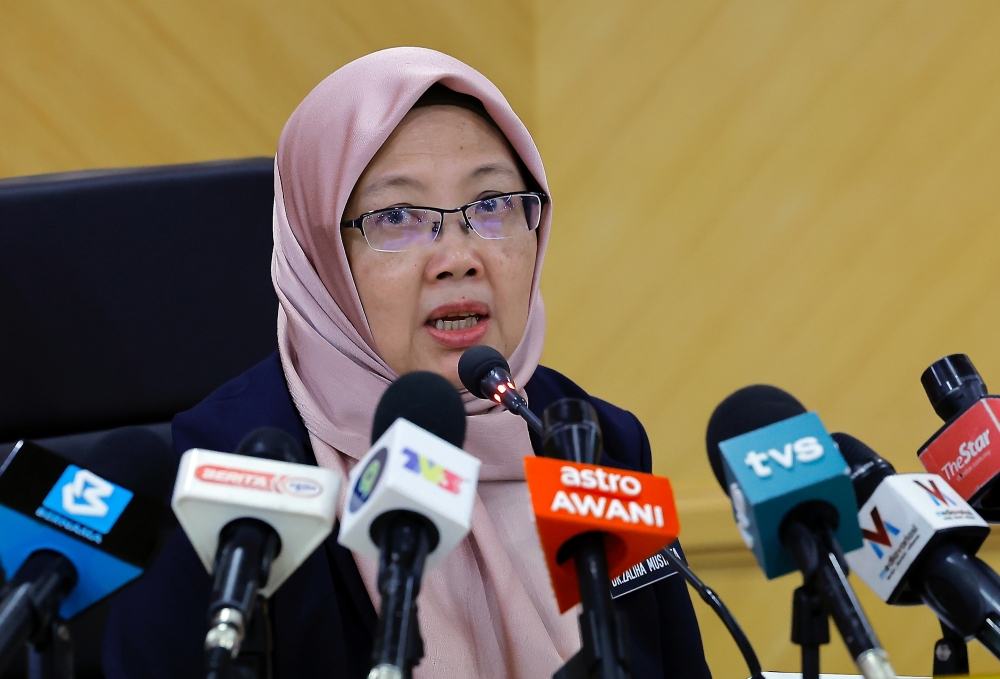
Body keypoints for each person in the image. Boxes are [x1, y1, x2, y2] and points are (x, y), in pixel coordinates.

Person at [102, 47, 712, 679]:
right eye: (398, 216)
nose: (458, 256)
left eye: (493, 204)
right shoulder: (238, 462)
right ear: (318, 249)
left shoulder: (588, 442)